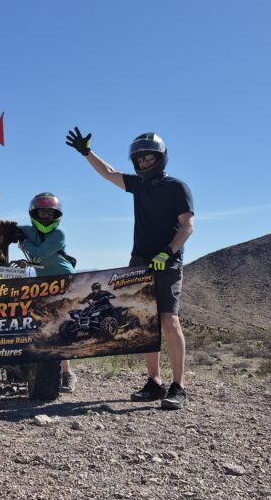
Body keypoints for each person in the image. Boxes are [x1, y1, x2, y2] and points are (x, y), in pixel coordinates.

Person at [65, 128, 194, 410]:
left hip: (168, 263)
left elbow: (188, 226)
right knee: (147, 323)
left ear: (160, 158)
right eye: (139, 158)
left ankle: (179, 387)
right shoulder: (139, 185)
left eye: (149, 157)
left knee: (169, 320)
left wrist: (168, 252)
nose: (144, 162)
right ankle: (154, 383)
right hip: (139, 263)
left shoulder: (176, 187)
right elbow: (110, 173)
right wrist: (87, 152)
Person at [17, 192, 79, 392]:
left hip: (64, 280)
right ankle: (38, 368)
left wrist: (23, 243)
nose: (45, 216)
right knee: (42, 325)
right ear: (35, 213)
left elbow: (40, 255)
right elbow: (7, 229)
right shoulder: (28, 230)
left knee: (60, 325)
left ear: (56, 215)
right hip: (43, 283)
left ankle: (67, 374)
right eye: (42, 212)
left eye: (49, 213)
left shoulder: (59, 235)